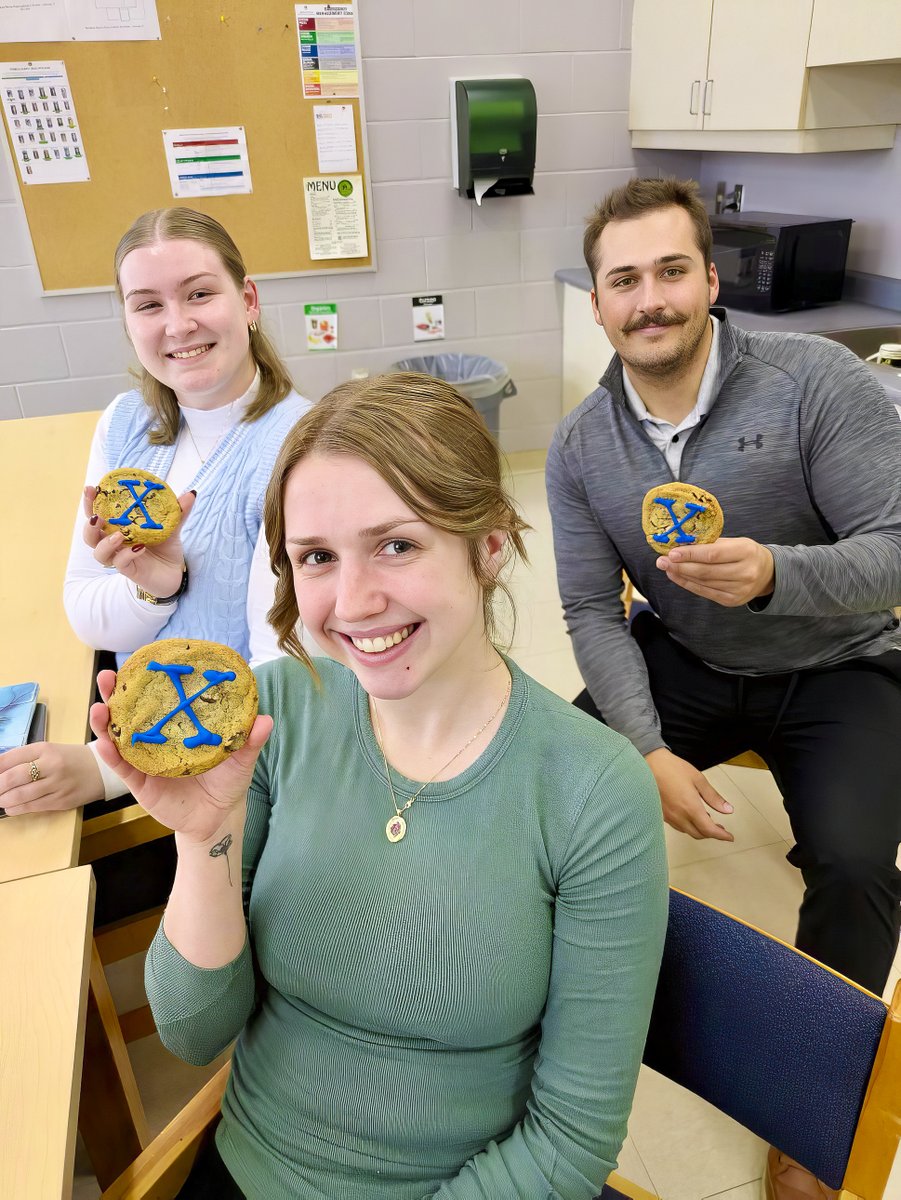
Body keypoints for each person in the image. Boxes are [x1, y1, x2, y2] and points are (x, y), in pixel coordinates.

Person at [89, 372, 668, 1199]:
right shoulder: (274, 714)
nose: (353, 602)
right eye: (317, 557)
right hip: (247, 1169)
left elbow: (569, 1143)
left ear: (490, 545)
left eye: (397, 544)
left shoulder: (592, 790)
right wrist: (202, 836)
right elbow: (191, 1031)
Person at [545, 177, 901, 1199]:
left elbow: (894, 549)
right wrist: (645, 749)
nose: (647, 298)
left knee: (854, 864)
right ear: (599, 302)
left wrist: (776, 576)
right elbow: (586, 611)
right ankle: (547, 1021)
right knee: (552, 790)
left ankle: (812, 1110)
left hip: (840, 666)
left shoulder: (813, 382)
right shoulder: (580, 445)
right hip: (689, 660)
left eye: (668, 271)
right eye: (623, 280)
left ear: (707, 279)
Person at [0, 207, 312, 824]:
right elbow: (89, 617)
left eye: (199, 293)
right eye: (147, 305)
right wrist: (155, 593)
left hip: (236, 776)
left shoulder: (302, 444)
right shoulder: (124, 424)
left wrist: (103, 768)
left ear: (247, 300)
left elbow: (277, 674)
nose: (178, 324)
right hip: (135, 734)